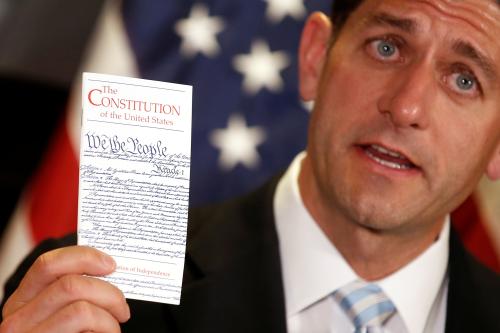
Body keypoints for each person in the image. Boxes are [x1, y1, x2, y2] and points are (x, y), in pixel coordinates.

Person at [2, 0, 500, 332]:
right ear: (314, 58)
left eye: (464, 80)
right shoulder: (81, 297)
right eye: (387, 47)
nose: (407, 107)